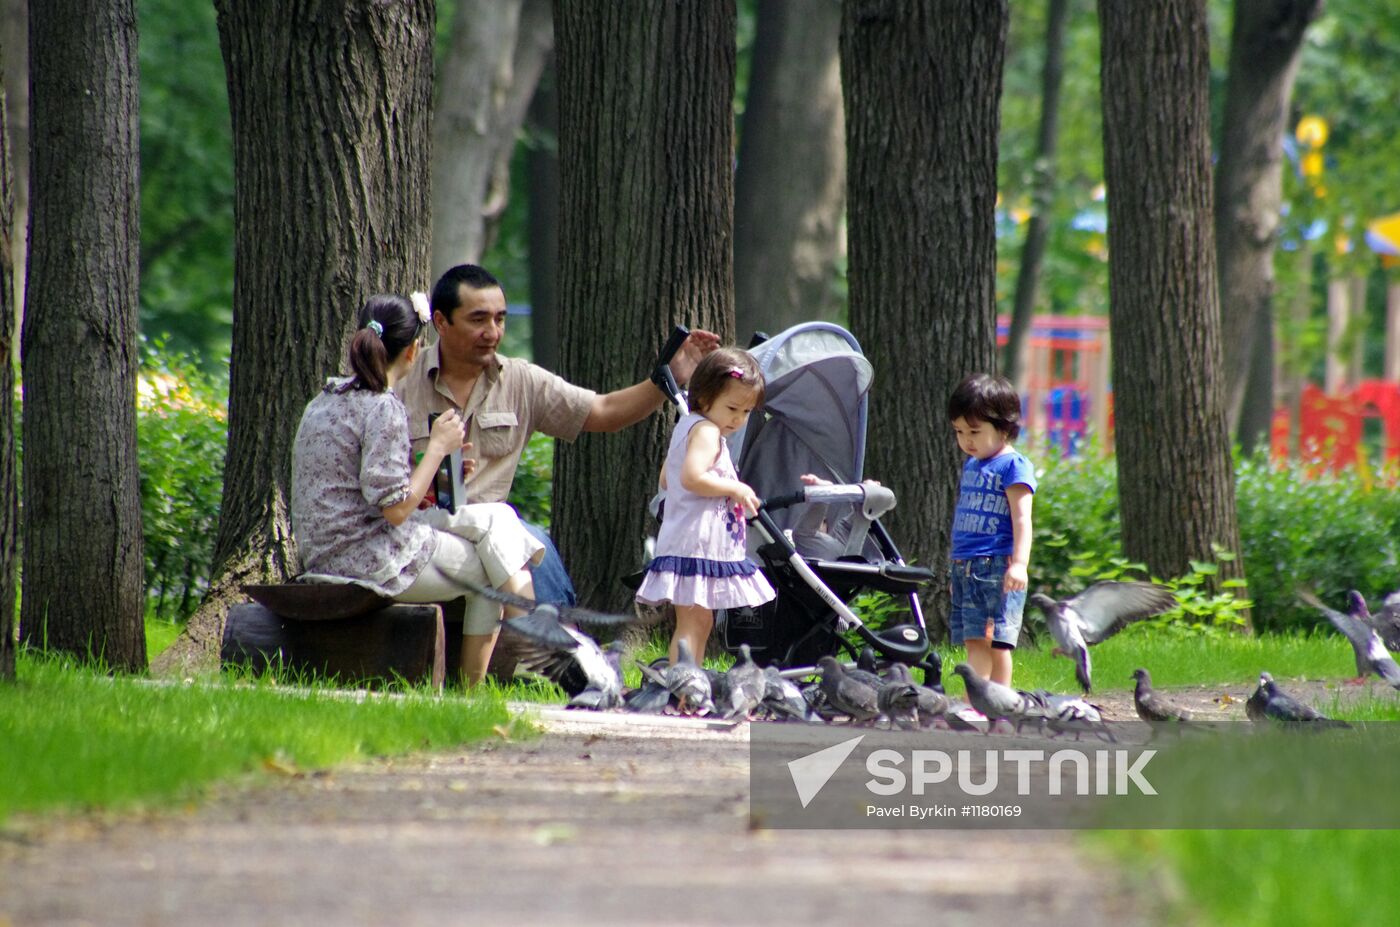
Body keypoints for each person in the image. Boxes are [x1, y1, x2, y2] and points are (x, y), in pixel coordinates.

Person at [394, 263, 719, 606]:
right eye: (478, 320)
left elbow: (604, 411)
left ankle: (555, 636)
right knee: (521, 538)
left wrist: (669, 379)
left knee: (531, 546)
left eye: (500, 319)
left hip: (494, 532)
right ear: (441, 322)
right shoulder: (400, 382)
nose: (492, 332)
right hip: (418, 532)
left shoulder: (521, 380)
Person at [290, 293, 546, 686]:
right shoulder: (383, 407)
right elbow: (395, 510)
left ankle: (533, 642)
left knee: (498, 518)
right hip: (369, 557)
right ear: (413, 350)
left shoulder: (325, 400)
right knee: (488, 569)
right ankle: (490, 681)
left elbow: (364, 487)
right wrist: (438, 449)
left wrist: (431, 471)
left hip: (324, 550)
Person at [636, 348, 776, 664]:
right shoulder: (708, 432)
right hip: (696, 545)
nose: (738, 419)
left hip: (689, 542)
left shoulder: (690, 425)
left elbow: (667, 476)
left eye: (746, 411)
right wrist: (734, 488)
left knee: (699, 622)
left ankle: (691, 678)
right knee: (693, 624)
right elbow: (691, 477)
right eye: (732, 408)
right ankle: (683, 681)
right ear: (704, 397)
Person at [947, 372, 1037, 689]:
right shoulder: (973, 465)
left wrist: (1019, 564)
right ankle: (994, 703)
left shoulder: (1014, 466)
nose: (966, 440)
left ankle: (985, 702)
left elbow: (1022, 519)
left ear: (1004, 428)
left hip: (996, 565)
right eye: (959, 431)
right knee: (975, 639)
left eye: (974, 431)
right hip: (966, 565)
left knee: (992, 641)